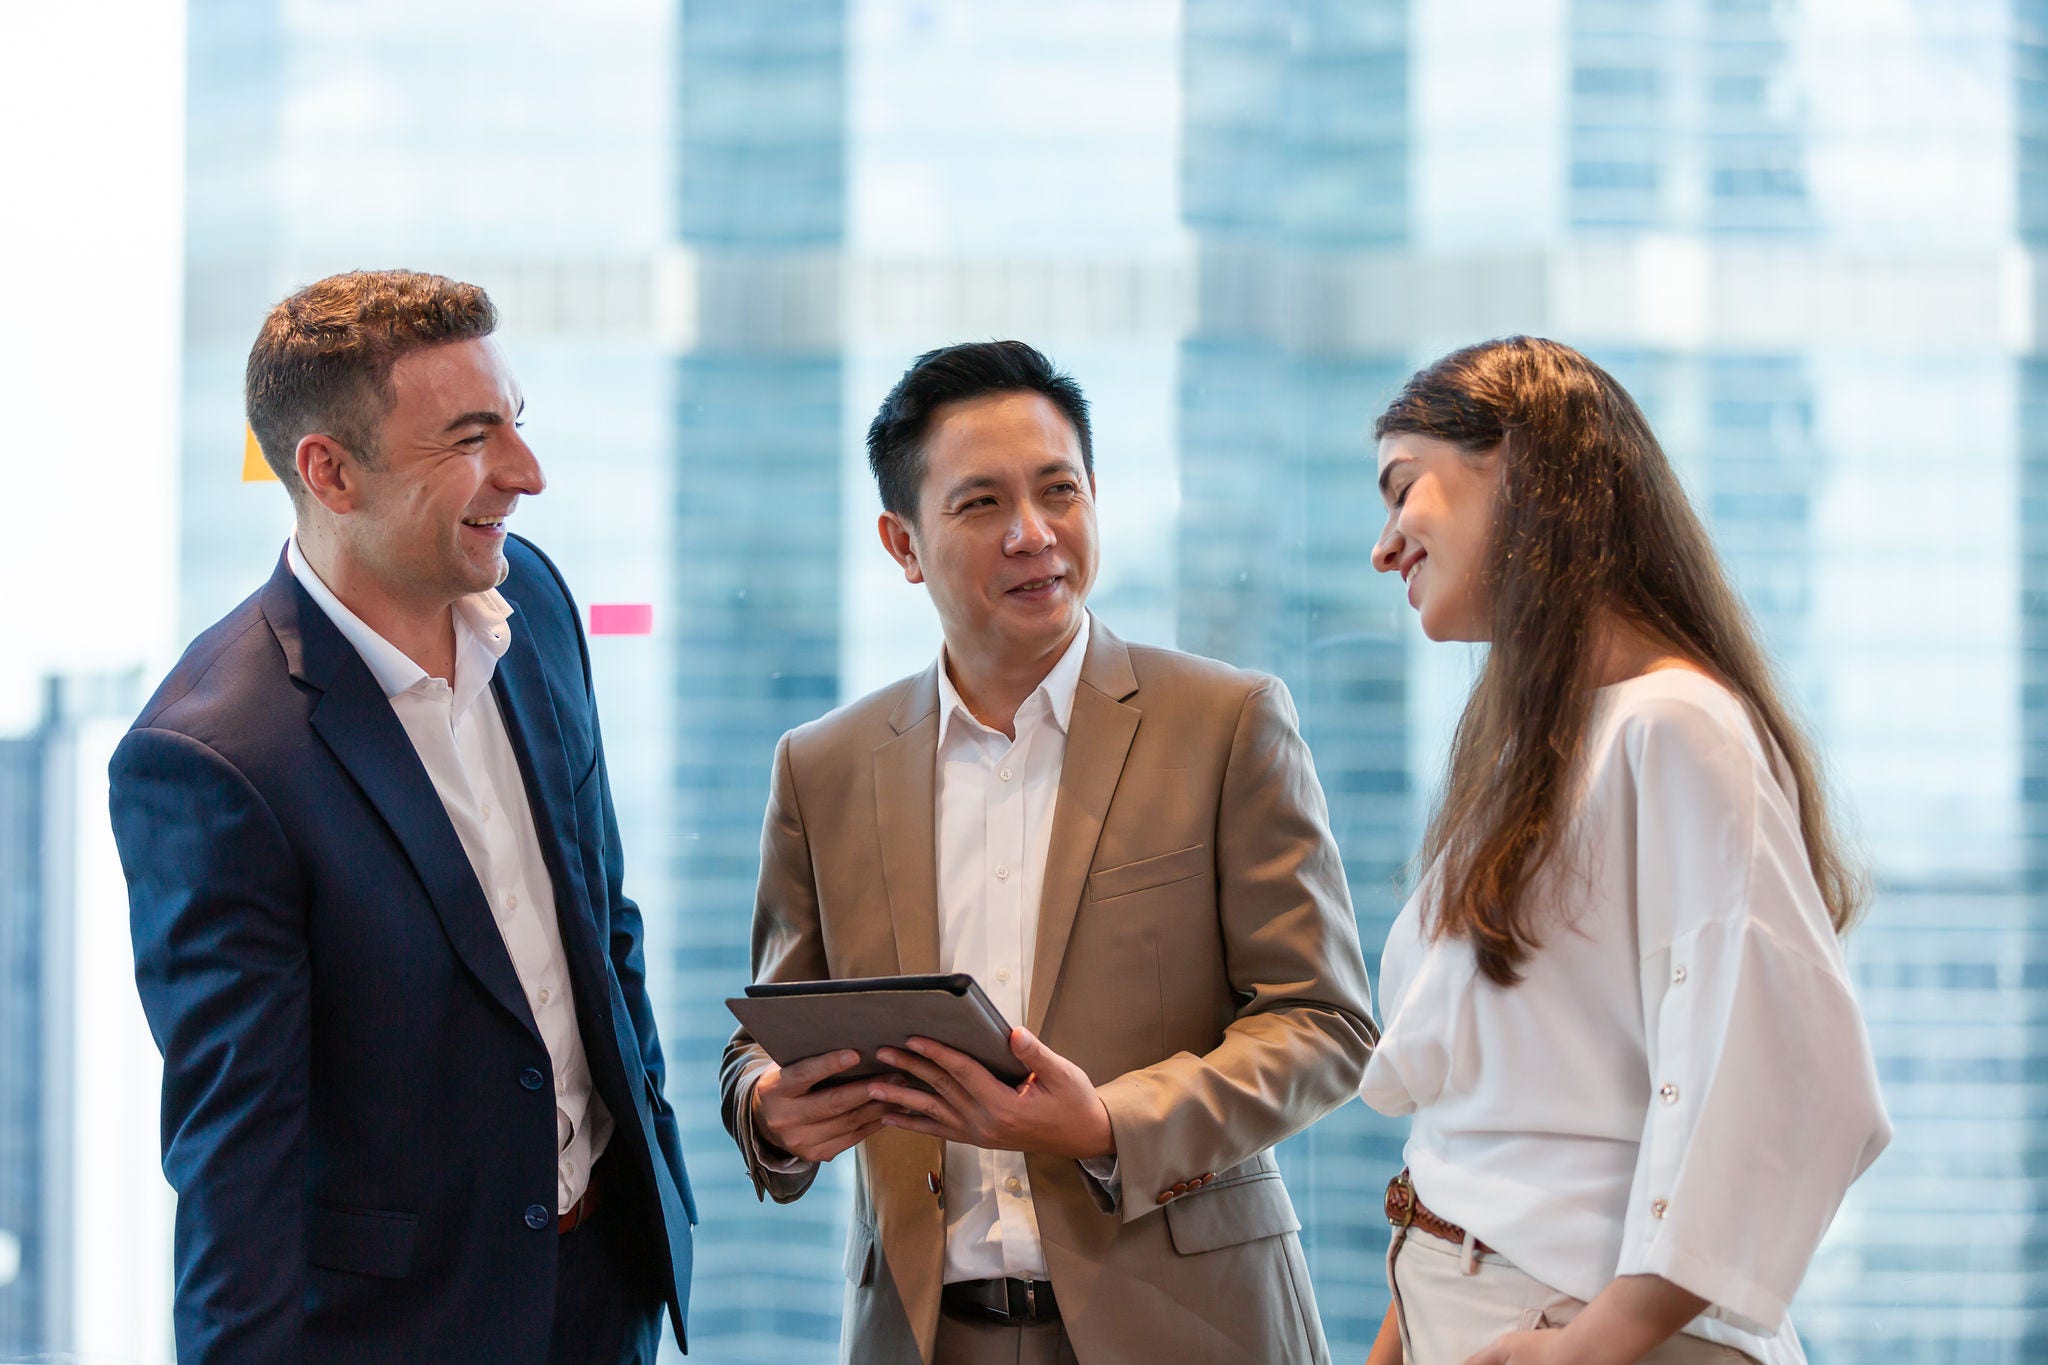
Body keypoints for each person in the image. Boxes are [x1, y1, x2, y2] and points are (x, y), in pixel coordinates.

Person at [718, 340, 1377, 1364]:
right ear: (902, 543)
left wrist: (1109, 1122)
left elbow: (1323, 1022)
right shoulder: (823, 766)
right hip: (924, 1333)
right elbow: (771, 1028)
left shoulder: (1226, 721)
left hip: (1188, 1323)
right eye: (981, 503)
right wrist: (767, 1109)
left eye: (1058, 490)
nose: (1033, 533)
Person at [109, 270, 694, 1364]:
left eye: (516, 422)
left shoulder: (537, 602)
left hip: (607, 1285)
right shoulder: (212, 759)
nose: (526, 473)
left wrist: (650, 1170)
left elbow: (602, 923)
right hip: (409, 1325)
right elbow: (239, 1160)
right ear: (329, 472)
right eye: (471, 438)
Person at [1356, 336, 1890, 1365]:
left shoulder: (1673, 724)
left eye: (1402, 487)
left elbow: (1791, 1082)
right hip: (1488, 1318)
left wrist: (1592, 1346)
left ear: (1518, 470)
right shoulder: (1550, 751)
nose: (1383, 549)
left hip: (1584, 1330)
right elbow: (1474, 1141)